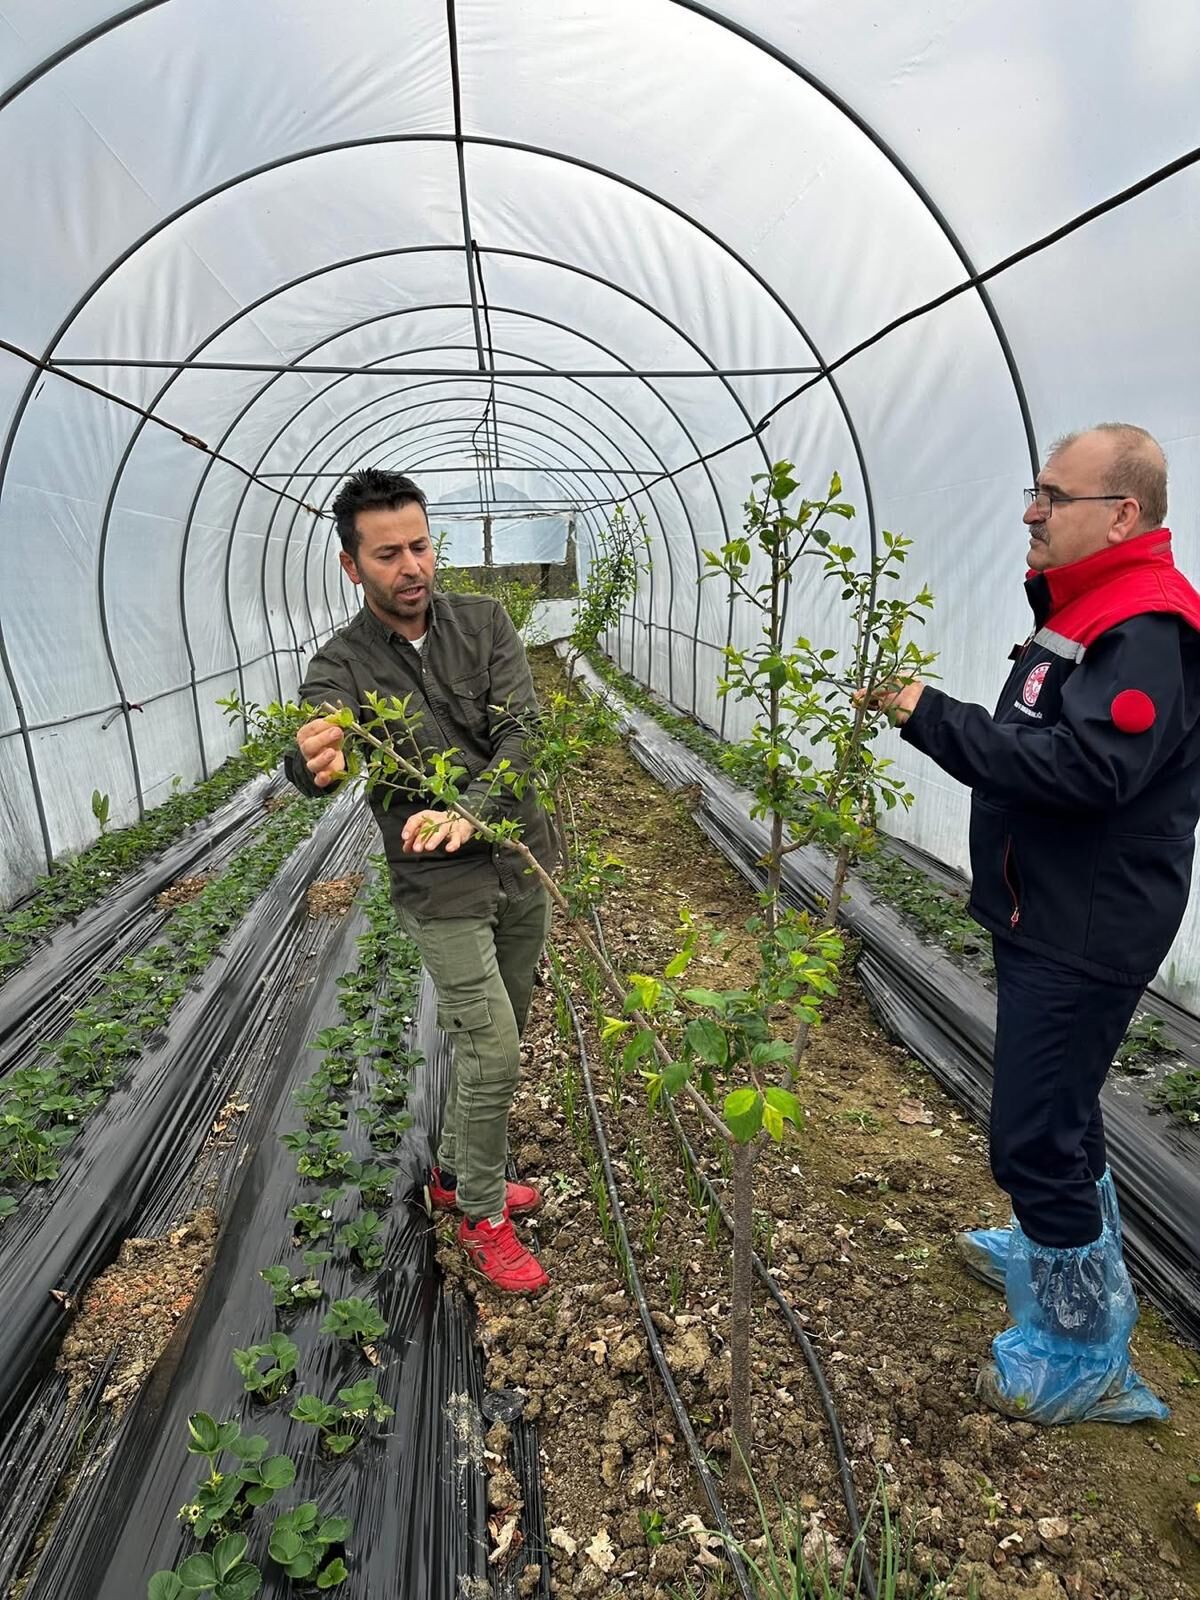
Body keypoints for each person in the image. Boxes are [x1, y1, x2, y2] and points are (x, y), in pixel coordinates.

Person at [871, 423, 1200, 1424]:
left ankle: (1081, 1347)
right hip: (1045, 903)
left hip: (1084, 926)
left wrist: (936, 716)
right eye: (1034, 492)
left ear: (1121, 514)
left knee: (1031, 1133)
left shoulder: (1147, 629)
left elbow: (1091, 770)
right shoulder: (1091, 608)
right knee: (1059, 1108)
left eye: (1053, 495)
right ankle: (1058, 1248)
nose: (1031, 511)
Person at [285, 468, 556, 1295]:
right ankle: (478, 1215)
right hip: (439, 885)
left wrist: (472, 811)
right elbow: (315, 740)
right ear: (352, 566)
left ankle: (451, 1171)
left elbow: (523, 734)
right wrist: (312, 761)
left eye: (422, 545)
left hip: (517, 854)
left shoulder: (483, 622)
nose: (413, 567)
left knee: (508, 1018)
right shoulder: (343, 663)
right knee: (492, 1045)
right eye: (389, 553)